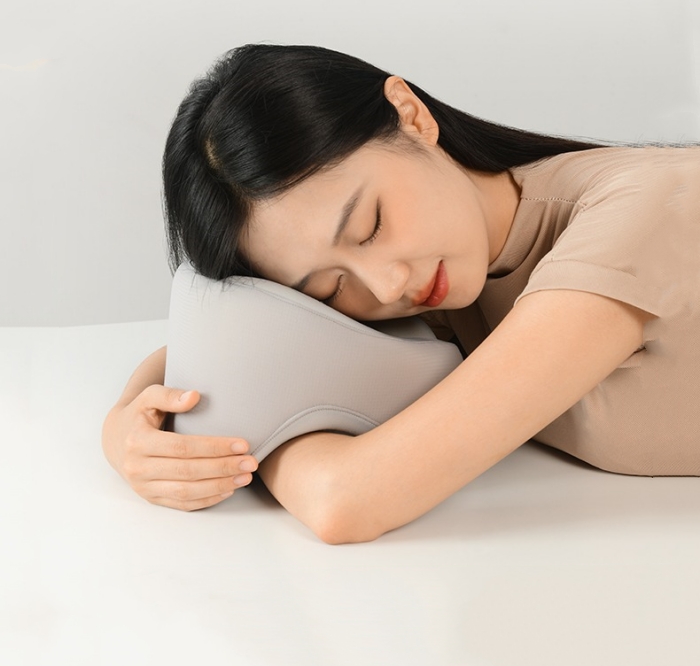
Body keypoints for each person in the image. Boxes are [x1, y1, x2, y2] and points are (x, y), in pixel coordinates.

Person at [101, 44, 700, 544]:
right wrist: (126, 425)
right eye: (329, 287)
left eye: (370, 226)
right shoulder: (452, 289)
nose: (387, 286)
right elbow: (237, 342)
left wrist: (262, 443)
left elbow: (347, 501)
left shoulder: (636, 215)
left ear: (410, 115)